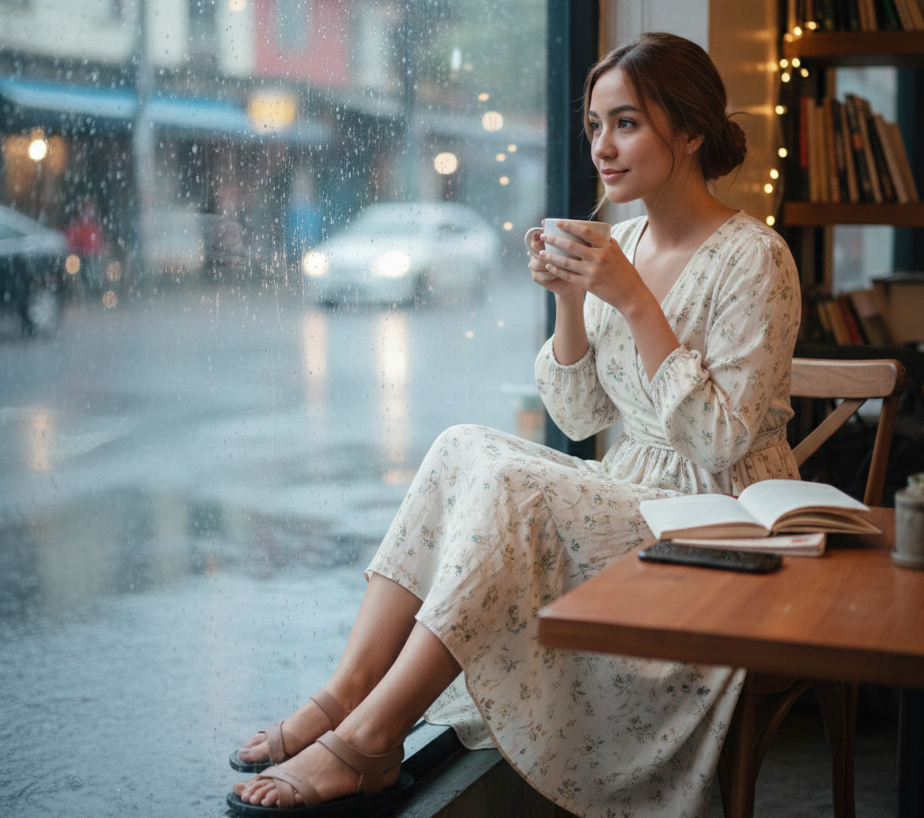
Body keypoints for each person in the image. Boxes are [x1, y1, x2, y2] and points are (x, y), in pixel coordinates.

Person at [229, 31, 802, 817]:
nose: (603, 146)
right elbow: (578, 414)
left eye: (627, 123)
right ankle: (349, 694)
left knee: (513, 486)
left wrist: (632, 300)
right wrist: (571, 298)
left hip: (723, 520)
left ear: (692, 131)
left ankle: (371, 740)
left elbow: (722, 440)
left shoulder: (755, 257)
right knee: (462, 445)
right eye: (595, 125)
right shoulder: (622, 240)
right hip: (637, 491)